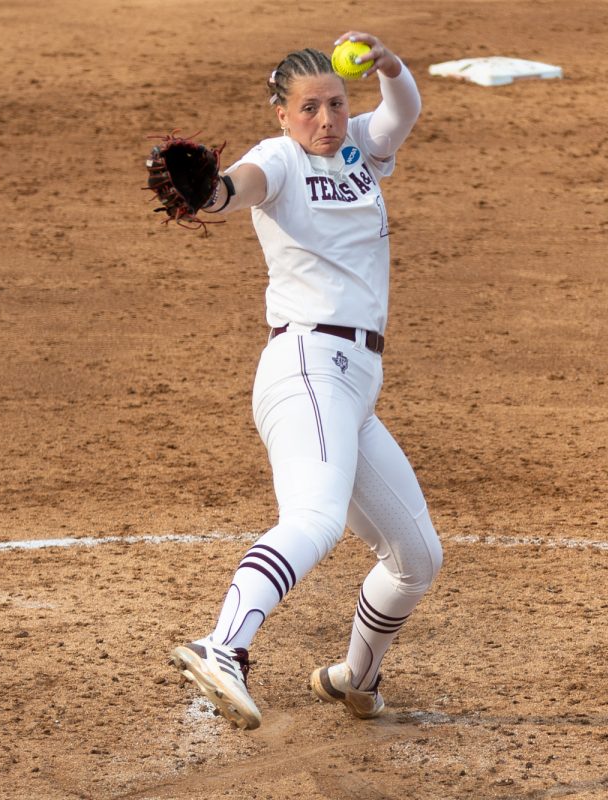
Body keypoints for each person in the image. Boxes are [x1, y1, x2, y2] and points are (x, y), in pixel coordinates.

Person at [168, 31, 442, 730]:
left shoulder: (359, 153)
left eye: (335, 104)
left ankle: (356, 677)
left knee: (416, 558)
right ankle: (223, 645)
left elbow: (402, 112)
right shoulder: (278, 160)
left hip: (353, 386)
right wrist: (213, 192)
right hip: (307, 366)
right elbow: (236, 192)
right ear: (283, 115)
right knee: (315, 519)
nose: (325, 120)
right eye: (309, 109)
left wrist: (389, 63)